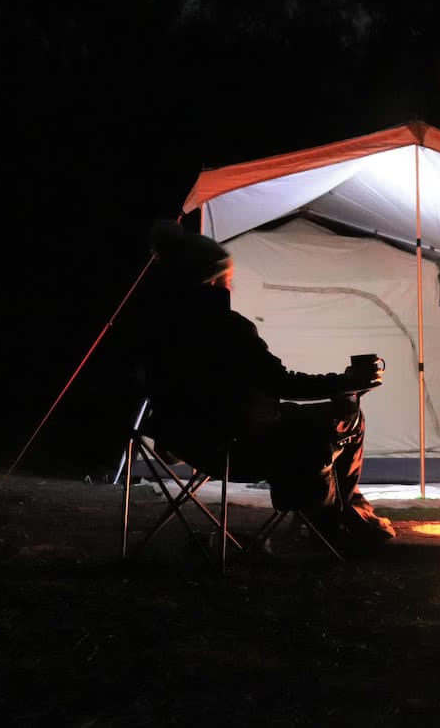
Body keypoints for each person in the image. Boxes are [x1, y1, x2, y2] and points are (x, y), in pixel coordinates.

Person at [140, 219, 396, 552]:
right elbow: (281, 383)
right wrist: (346, 383)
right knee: (346, 414)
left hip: (188, 442)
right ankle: (333, 523)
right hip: (238, 448)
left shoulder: (156, 329)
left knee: (310, 419)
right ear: (214, 279)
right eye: (228, 277)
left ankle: (341, 517)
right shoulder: (229, 329)